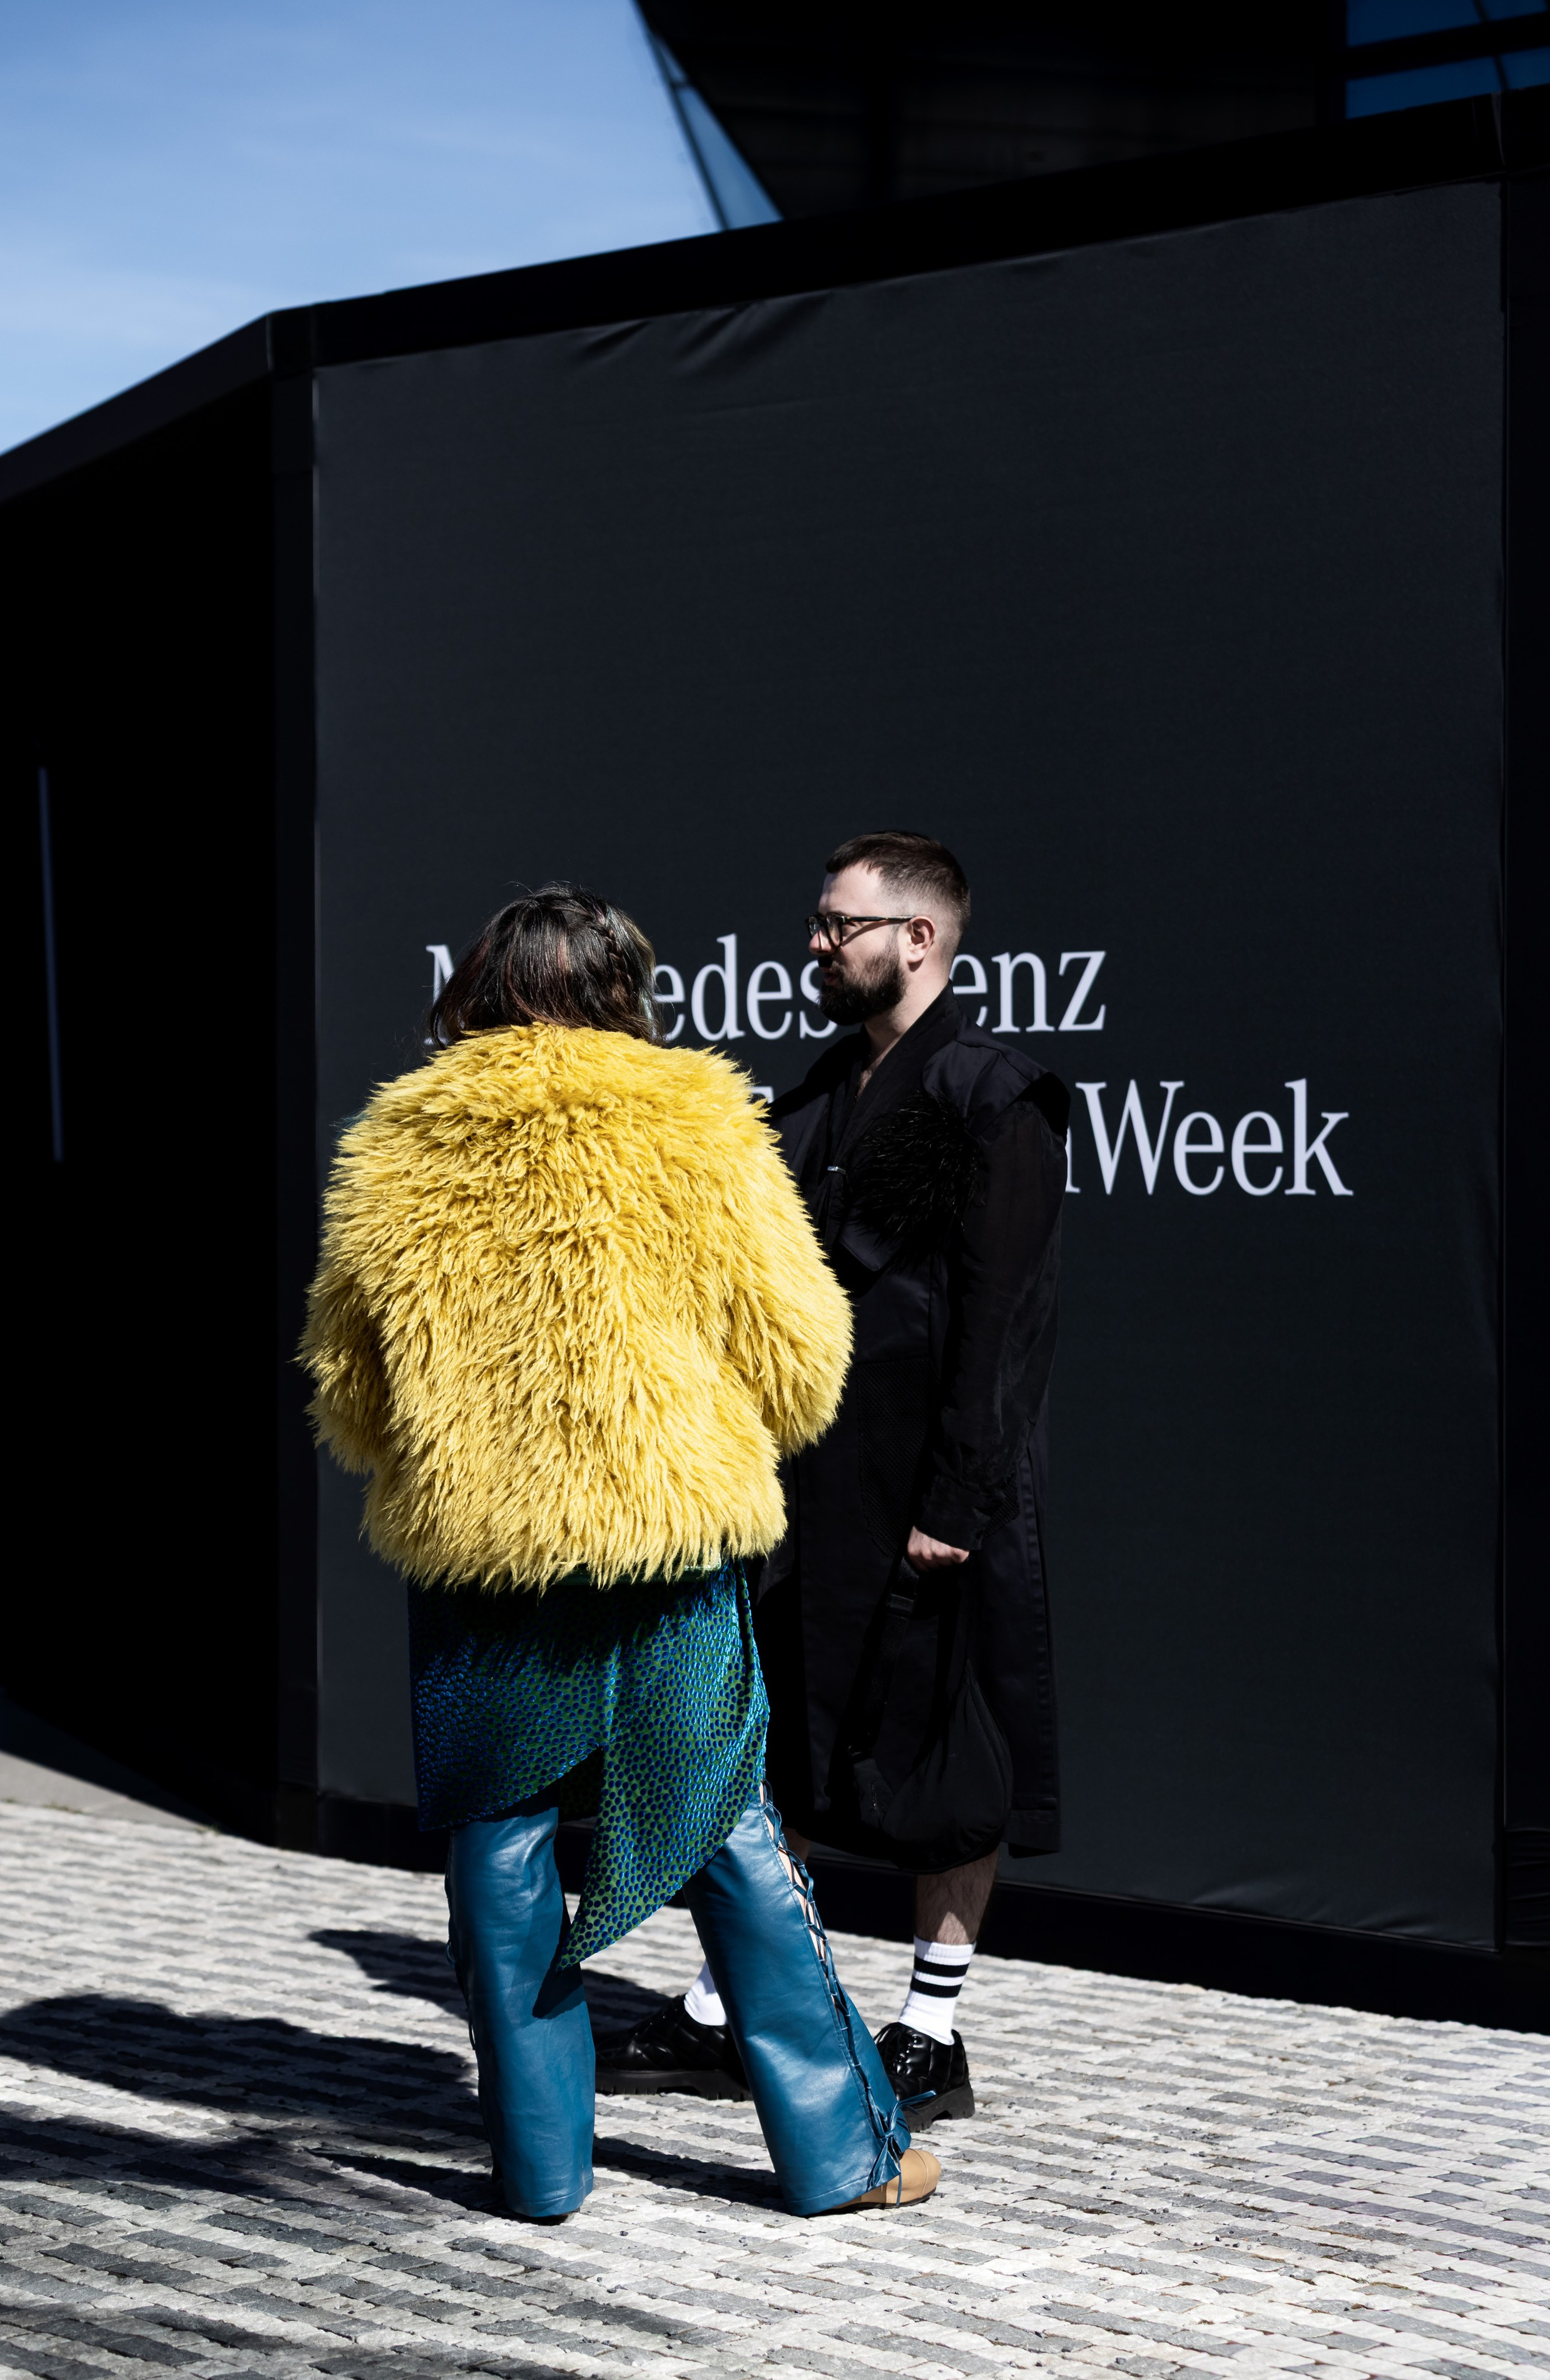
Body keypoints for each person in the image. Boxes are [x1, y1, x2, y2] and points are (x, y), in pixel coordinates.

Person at [299, 883, 938, 2222]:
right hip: (669, 1545)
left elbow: (349, 1391)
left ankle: (538, 2171)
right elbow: (805, 1358)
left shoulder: (399, 1145)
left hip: (483, 1566)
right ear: (625, 990)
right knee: (725, 1830)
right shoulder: (698, 1123)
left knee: (501, 1842)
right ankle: (839, 2160)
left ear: (476, 987)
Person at [599, 833, 1068, 2131]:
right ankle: (730, 2006)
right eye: (814, 923)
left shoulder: (995, 1098)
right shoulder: (811, 1099)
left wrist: (956, 1508)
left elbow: (1003, 1328)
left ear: (915, 940)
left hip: (933, 1498)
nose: (813, 944)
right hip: (807, 1491)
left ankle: (931, 2029)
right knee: (780, 1749)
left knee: (946, 1757)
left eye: (836, 924)